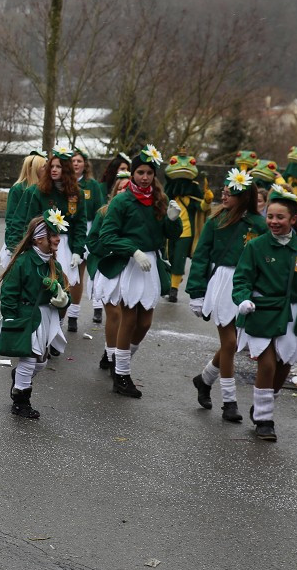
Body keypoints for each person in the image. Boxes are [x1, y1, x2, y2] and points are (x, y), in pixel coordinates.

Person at [232, 186, 297, 441]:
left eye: (280, 217)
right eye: (270, 216)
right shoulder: (256, 246)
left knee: (283, 365)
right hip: (261, 312)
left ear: (293, 220)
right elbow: (242, 279)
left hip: (291, 314)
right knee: (266, 363)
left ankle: (261, 405)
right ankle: (265, 420)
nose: (273, 222)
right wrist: (243, 299)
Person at [97, 145, 183, 397]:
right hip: (131, 263)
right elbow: (107, 236)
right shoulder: (122, 200)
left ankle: (120, 363)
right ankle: (121, 375)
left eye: (149, 173)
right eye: (140, 172)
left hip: (151, 264)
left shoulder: (159, 200)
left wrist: (172, 220)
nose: (145, 177)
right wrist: (132, 250)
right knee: (129, 318)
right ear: (133, 174)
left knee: (145, 322)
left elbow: (171, 236)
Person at [185, 169, 266, 423]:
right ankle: (229, 402)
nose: (223, 196)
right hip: (221, 283)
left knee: (232, 343)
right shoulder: (215, 221)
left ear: (243, 197)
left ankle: (205, 380)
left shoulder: (259, 225)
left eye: (229, 194)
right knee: (230, 343)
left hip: (247, 284)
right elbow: (200, 257)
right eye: (224, 192)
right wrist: (197, 292)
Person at [0, 209, 71, 419]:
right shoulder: (22, 263)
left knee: (41, 362)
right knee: (30, 359)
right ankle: (20, 401)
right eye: (53, 235)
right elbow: (8, 293)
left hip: (46, 318)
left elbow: (64, 292)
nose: (57, 240)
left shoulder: (54, 265)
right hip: (27, 317)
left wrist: (63, 300)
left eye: (57, 235)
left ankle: (19, 378)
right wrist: (11, 318)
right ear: (38, 239)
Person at [17, 145, 85, 329]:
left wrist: (78, 251)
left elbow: (79, 224)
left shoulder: (76, 193)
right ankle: (39, 325)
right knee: (42, 286)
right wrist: (28, 246)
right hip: (42, 243)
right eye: (52, 166)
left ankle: (58, 326)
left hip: (64, 244)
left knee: (64, 289)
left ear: (67, 170)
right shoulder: (40, 191)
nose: (54, 170)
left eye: (59, 167)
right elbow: (29, 222)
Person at [87, 170, 130, 372]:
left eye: (128, 188)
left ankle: (110, 352)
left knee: (126, 314)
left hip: (129, 269)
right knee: (114, 313)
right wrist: (111, 249)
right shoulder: (103, 213)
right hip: (107, 267)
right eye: (121, 188)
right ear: (115, 190)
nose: (125, 191)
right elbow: (93, 241)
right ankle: (113, 357)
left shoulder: (136, 215)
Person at [162, 154, 210, 303]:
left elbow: (201, 207)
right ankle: (169, 283)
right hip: (169, 231)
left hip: (185, 231)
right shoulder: (167, 193)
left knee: (179, 260)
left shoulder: (192, 194)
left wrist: (207, 200)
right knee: (169, 257)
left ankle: (174, 289)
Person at [69, 146, 103, 329]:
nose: (76, 164)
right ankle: (71, 314)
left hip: (89, 229)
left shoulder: (93, 186)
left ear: (85, 165)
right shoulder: (65, 184)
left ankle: (98, 306)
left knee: (93, 270)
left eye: (79, 161)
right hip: (72, 231)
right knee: (75, 274)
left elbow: (100, 210)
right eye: (73, 161)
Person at [0, 150, 45, 269]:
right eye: (43, 167)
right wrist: (12, 243)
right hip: (19, 237)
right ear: (34, 169)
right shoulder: (18, 189)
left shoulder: (43, 189)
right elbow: (11, 218)